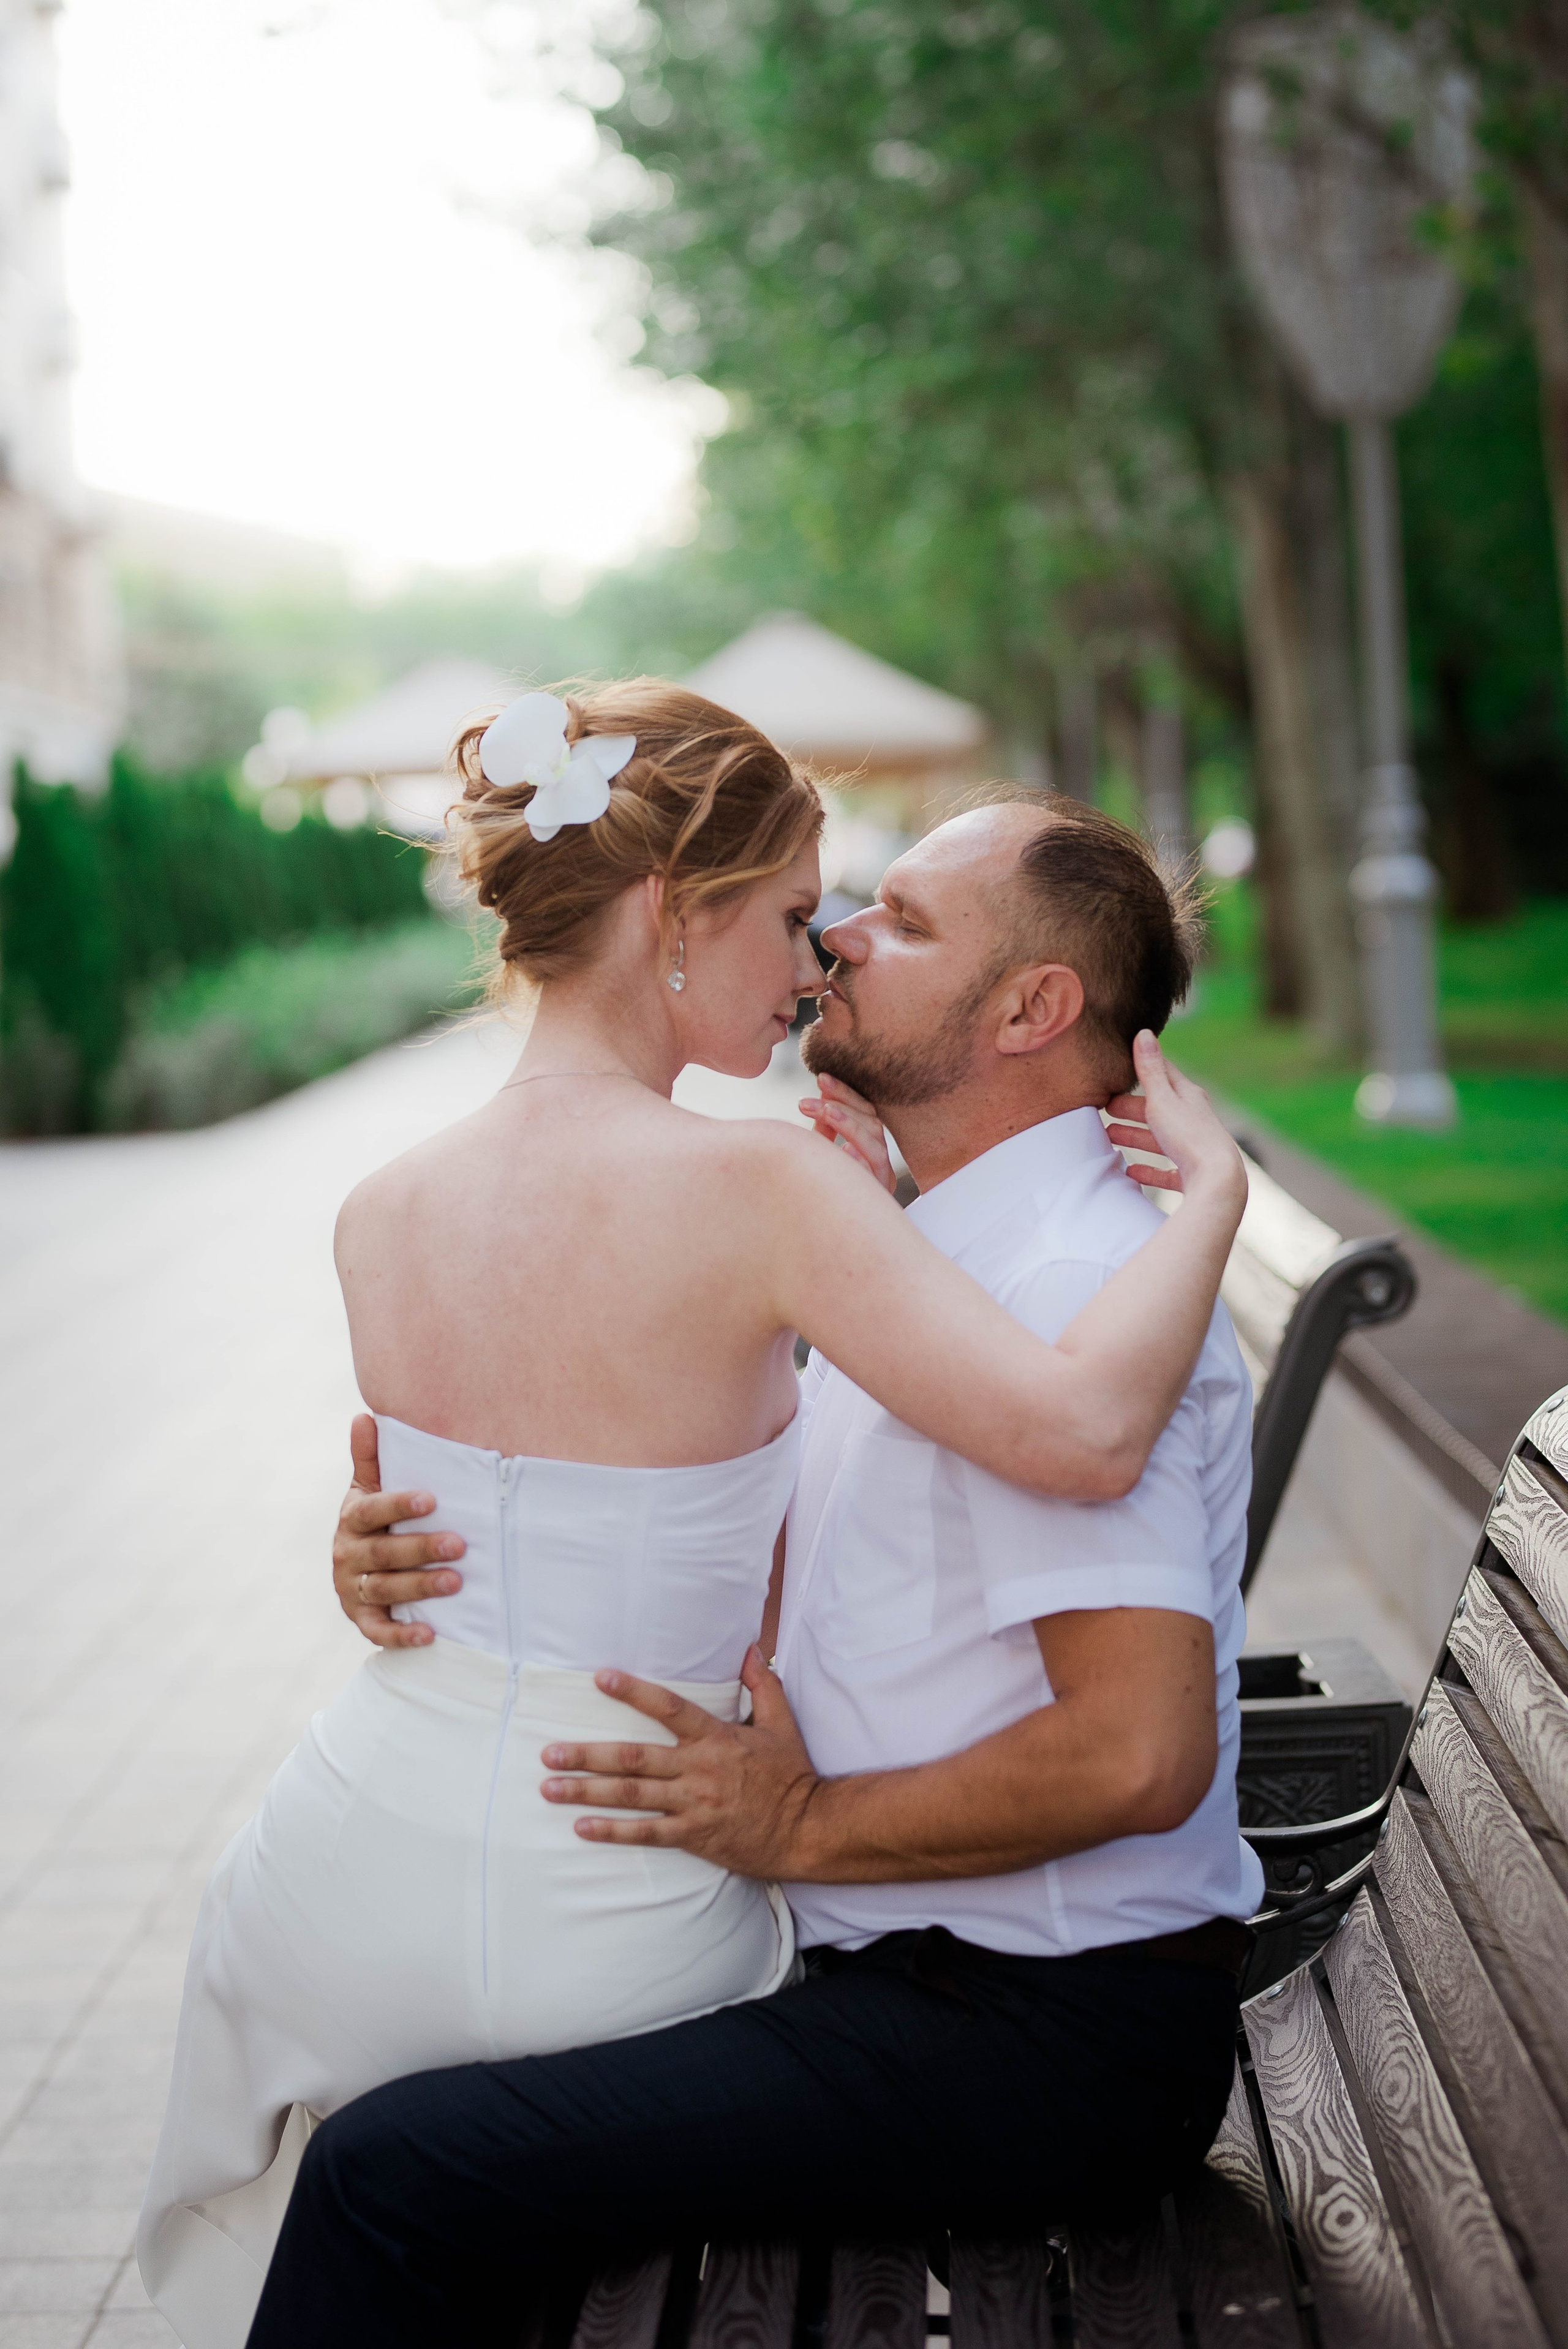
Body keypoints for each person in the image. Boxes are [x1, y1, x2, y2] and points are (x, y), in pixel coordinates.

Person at [137, 682, 1244, 2349]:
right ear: (674, 916)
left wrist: (794, 1827)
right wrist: (421, 1551)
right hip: (810, 1939)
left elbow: (1138, 1752)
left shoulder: (1077, 1268)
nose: (834, 949)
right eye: (812, 912)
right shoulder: (877, 1232)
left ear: (1030, 1007)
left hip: (1012, 2012)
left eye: (885, 917)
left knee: (402, 2172)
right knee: (461, 2165)